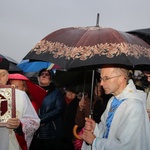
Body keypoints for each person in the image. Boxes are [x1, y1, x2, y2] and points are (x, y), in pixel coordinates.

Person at [81, 66, 150, 150]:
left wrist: (95, 142)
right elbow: (108, 132)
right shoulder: (113, 100)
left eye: (106, 78)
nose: (101, 83)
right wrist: (95, 127)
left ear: (121, 79)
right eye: (101, 78)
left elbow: (127, 146)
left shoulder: (134, 105)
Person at [0, 57, 40, 150]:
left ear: (7, 76)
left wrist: (19, 125)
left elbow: (34, 122)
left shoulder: (20, 96)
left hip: (11, 143)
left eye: (3, 74)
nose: (0, 78)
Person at [29, 68, 65, 150]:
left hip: (51, 132)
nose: (44, 76)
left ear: (51, 78)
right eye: (42, 74)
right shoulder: (33, 91)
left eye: (47, 74)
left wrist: (41, 119)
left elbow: (59, 109)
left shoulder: (56, 93)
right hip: (35, 132)